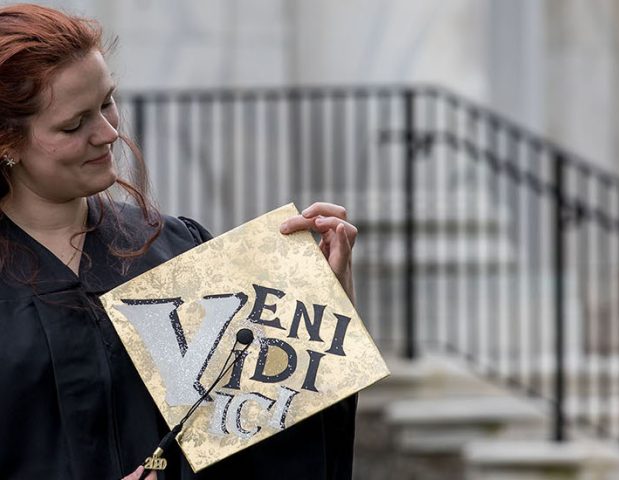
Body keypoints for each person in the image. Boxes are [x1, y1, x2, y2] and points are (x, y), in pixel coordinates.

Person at [0, 4, 358, 479]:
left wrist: (325, 313)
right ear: (7, 142)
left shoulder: (174, 250)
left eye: (107, 102)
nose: (108, 134)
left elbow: (270, 440)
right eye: (74, 124)